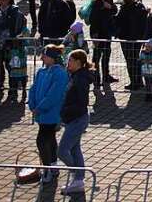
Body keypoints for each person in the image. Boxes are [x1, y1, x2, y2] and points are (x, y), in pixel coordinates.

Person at [28, 44, 69, 186]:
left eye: (44, 55)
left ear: (52, 57)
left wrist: (39, 108)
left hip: (51, 113)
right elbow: (33, 89)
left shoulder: (60, 73)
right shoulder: (41, 72)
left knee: (41, 140)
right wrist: (32, 104)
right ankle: (53, 165)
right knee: (50, 139)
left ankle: (47, 170)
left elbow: (54, 95)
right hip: (41, 113)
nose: (42, 58)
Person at [57, 49, 92, 195]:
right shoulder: (74, 75)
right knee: (74, 149)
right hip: (74, 118)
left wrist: (66, 110)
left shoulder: (80, 79)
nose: (67, 62)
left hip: (77, 119)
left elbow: (82, 102)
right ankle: (78, 181)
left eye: (70, 60)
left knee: (62, 151)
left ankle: (78, 176)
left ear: (78, 62)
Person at [115, 0, 148, 90]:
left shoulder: (124, 9)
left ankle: (134, 82)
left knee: (130, 61)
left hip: (127, 38)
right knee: (136, 60)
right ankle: (139, 81)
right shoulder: (140, 6)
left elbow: (118, 21)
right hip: (137, 38)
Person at [87, 0, 118, 87]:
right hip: (98, 33)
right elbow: (93, 19)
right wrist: (94, 35)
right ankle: (95, 77)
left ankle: (106, 76)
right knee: (96, 56)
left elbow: (115, 10)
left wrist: (109, 7)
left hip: (106, 32)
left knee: (107, 55)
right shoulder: (98, 2)